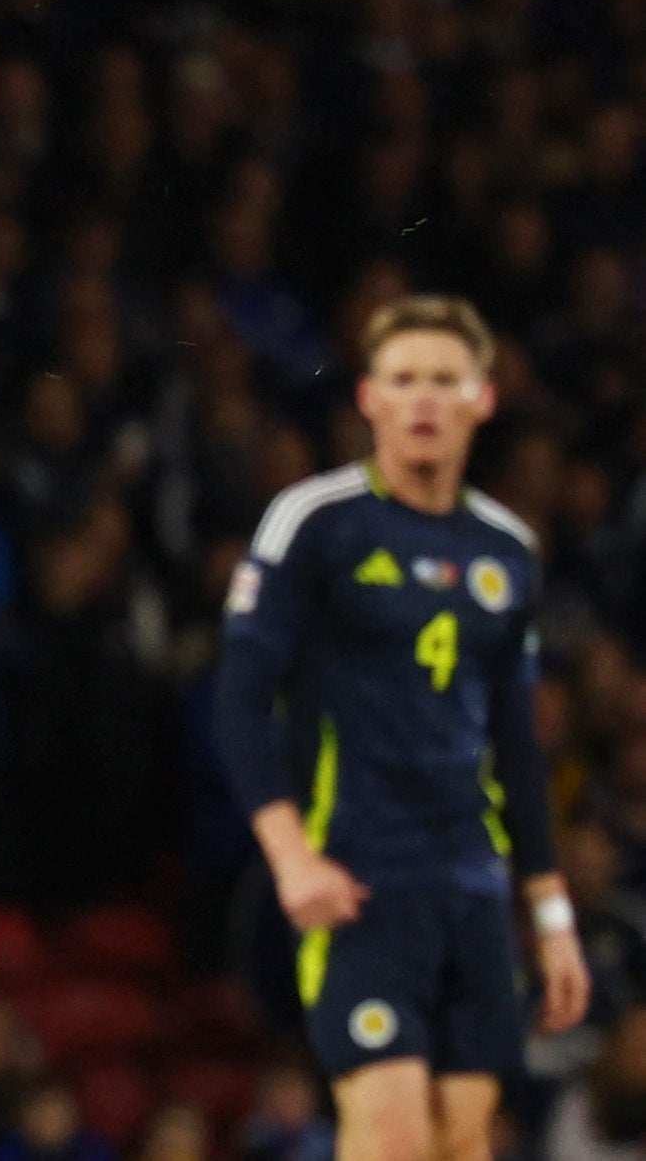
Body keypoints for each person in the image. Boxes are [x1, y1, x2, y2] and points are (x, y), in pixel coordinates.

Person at [216, 295, 590, 1161]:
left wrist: (552, 914)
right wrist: (291, 858)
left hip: (474, 886)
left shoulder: (507, 550)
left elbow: (517, 746)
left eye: (443, 381)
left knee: (464, 1143)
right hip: (359, 878)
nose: (423, 400)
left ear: (482, 400)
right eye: (404, 381)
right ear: (369, 399)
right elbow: (238, 699)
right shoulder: (316, 522)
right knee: (390, 1142)